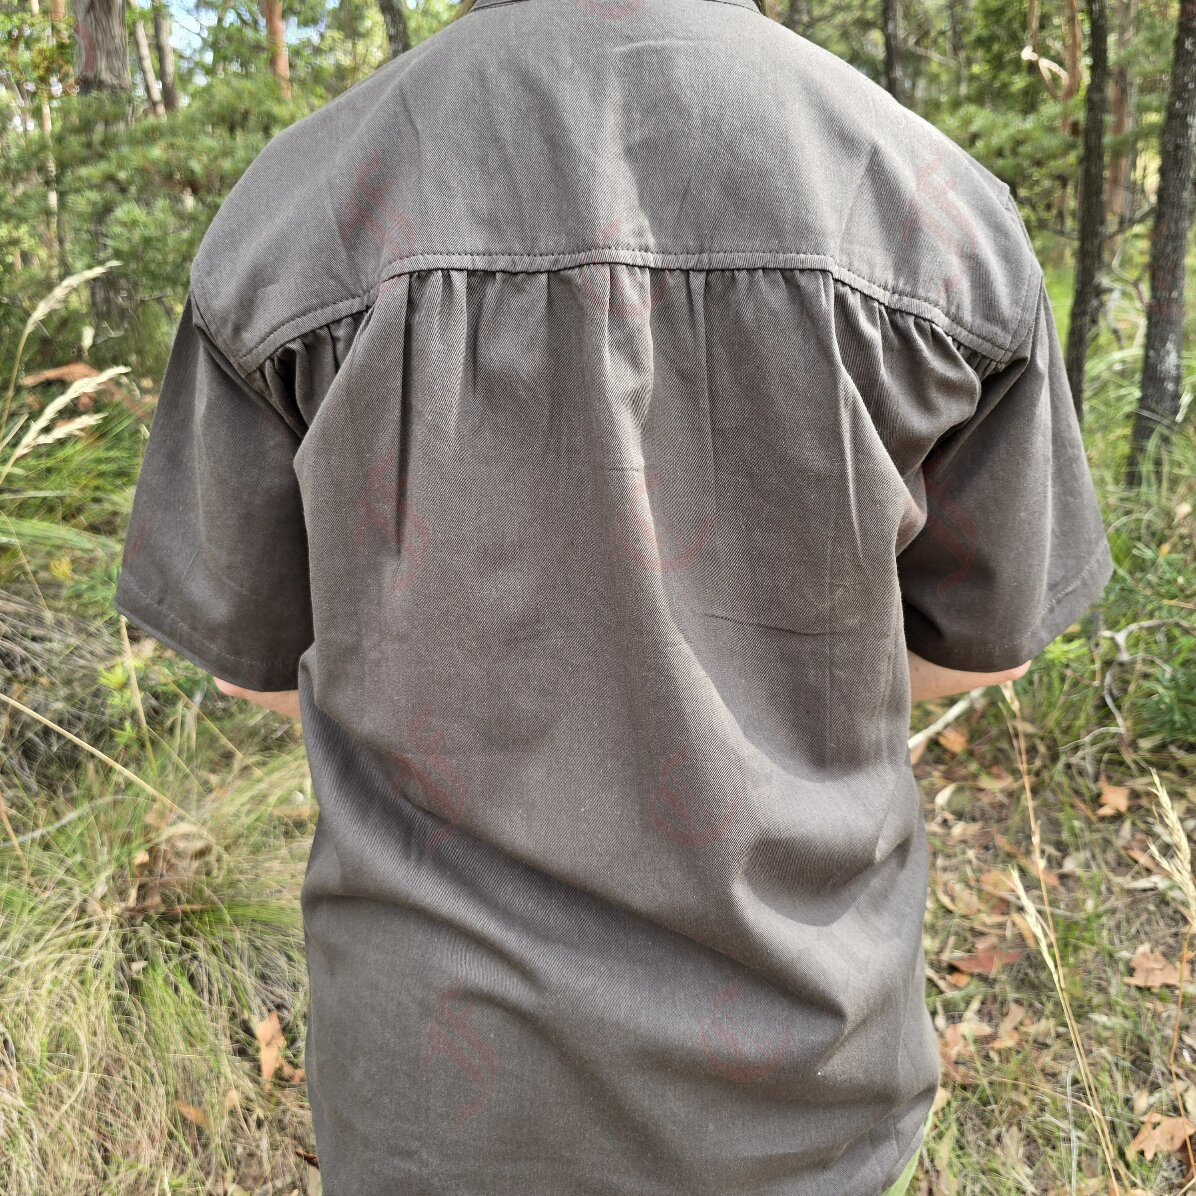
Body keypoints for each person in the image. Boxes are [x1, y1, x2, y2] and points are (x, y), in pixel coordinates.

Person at [112, 0, 1114, 1192]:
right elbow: (982, 644)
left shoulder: (294, 212)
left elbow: (257, 664)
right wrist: (753, 709)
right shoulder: (932, 212)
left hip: (440, 1095)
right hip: (800, 1083)